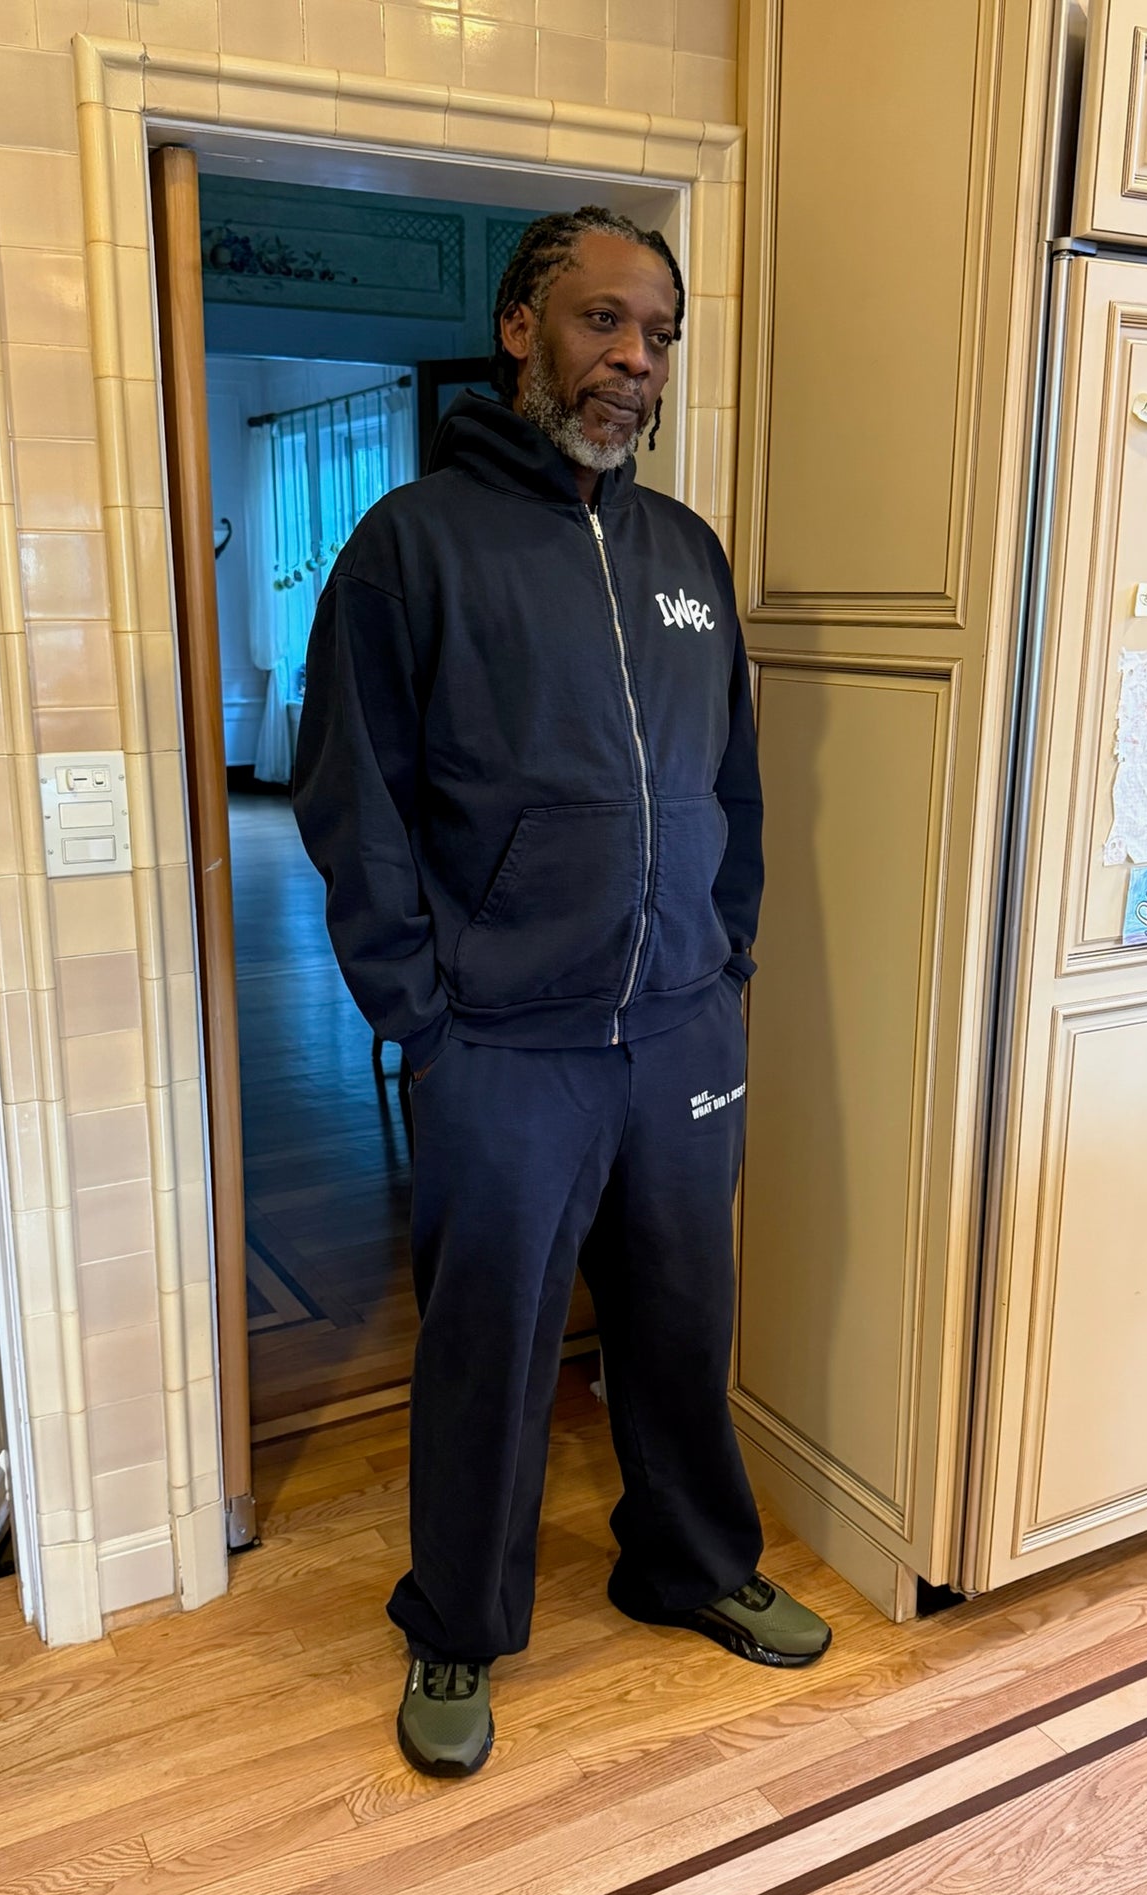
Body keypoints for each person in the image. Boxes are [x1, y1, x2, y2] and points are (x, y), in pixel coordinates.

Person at [293, 206, 832, 1780]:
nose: (634, 361)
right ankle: (459, 1617)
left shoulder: (686, 556)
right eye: (605, 322)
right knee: (493, 1341)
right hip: (505, 1047)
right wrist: (423, 1016)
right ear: (523, 326)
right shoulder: (413, 546)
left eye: (658, 335)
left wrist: (722, 963)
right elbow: (354, 796)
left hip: (677, 1029)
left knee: (681, 1317)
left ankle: (689, 1563)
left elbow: (728, 785)